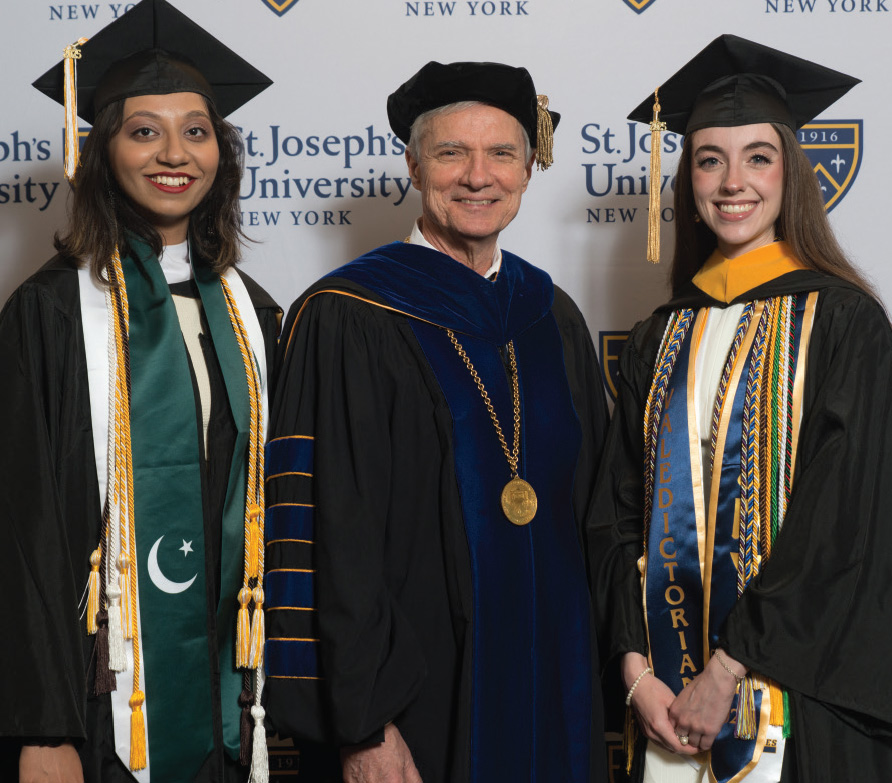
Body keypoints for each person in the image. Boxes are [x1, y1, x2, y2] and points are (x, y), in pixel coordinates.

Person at [264, 61, 609, 783]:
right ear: (415, 167)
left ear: (528, 169)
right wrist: (365, 725)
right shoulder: (348, 316)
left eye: (502, 153)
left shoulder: (552, 317)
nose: (478, 176)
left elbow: (594, 519)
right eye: (453, 152)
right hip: (412, 709)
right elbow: (329, 534)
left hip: (554, 688)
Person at [587, 34, 892, 783]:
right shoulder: (660, 336)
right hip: (666, 706)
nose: (733, 182)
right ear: (686, 179)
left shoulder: (844, 323)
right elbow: (615, 512)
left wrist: (727, 669)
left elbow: (840, 524)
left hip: (798, 703)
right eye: (709, 159)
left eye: (758, 157)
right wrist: (636, 669)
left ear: (792, 174)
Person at [0, 1, 281, 781]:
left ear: (220, 152)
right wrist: (40, 728)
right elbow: (19, 532)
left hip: (230, 694)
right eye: (144, 131)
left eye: (196, 131)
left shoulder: (252, 315)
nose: (174, 153)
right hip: (100, 701)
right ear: (104, 153)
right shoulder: (51, 314)